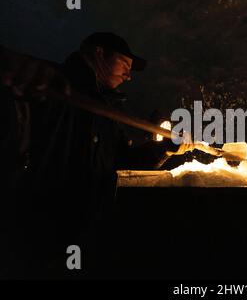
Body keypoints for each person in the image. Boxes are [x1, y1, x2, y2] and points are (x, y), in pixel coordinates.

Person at [0, 32, 193, 277]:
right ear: (98, 53)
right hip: (40, 221)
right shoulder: (50, 83)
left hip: (90, 224)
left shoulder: (110, 109)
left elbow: (123, 159)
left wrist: (165, 148)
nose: (128, 75)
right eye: (125, 64)